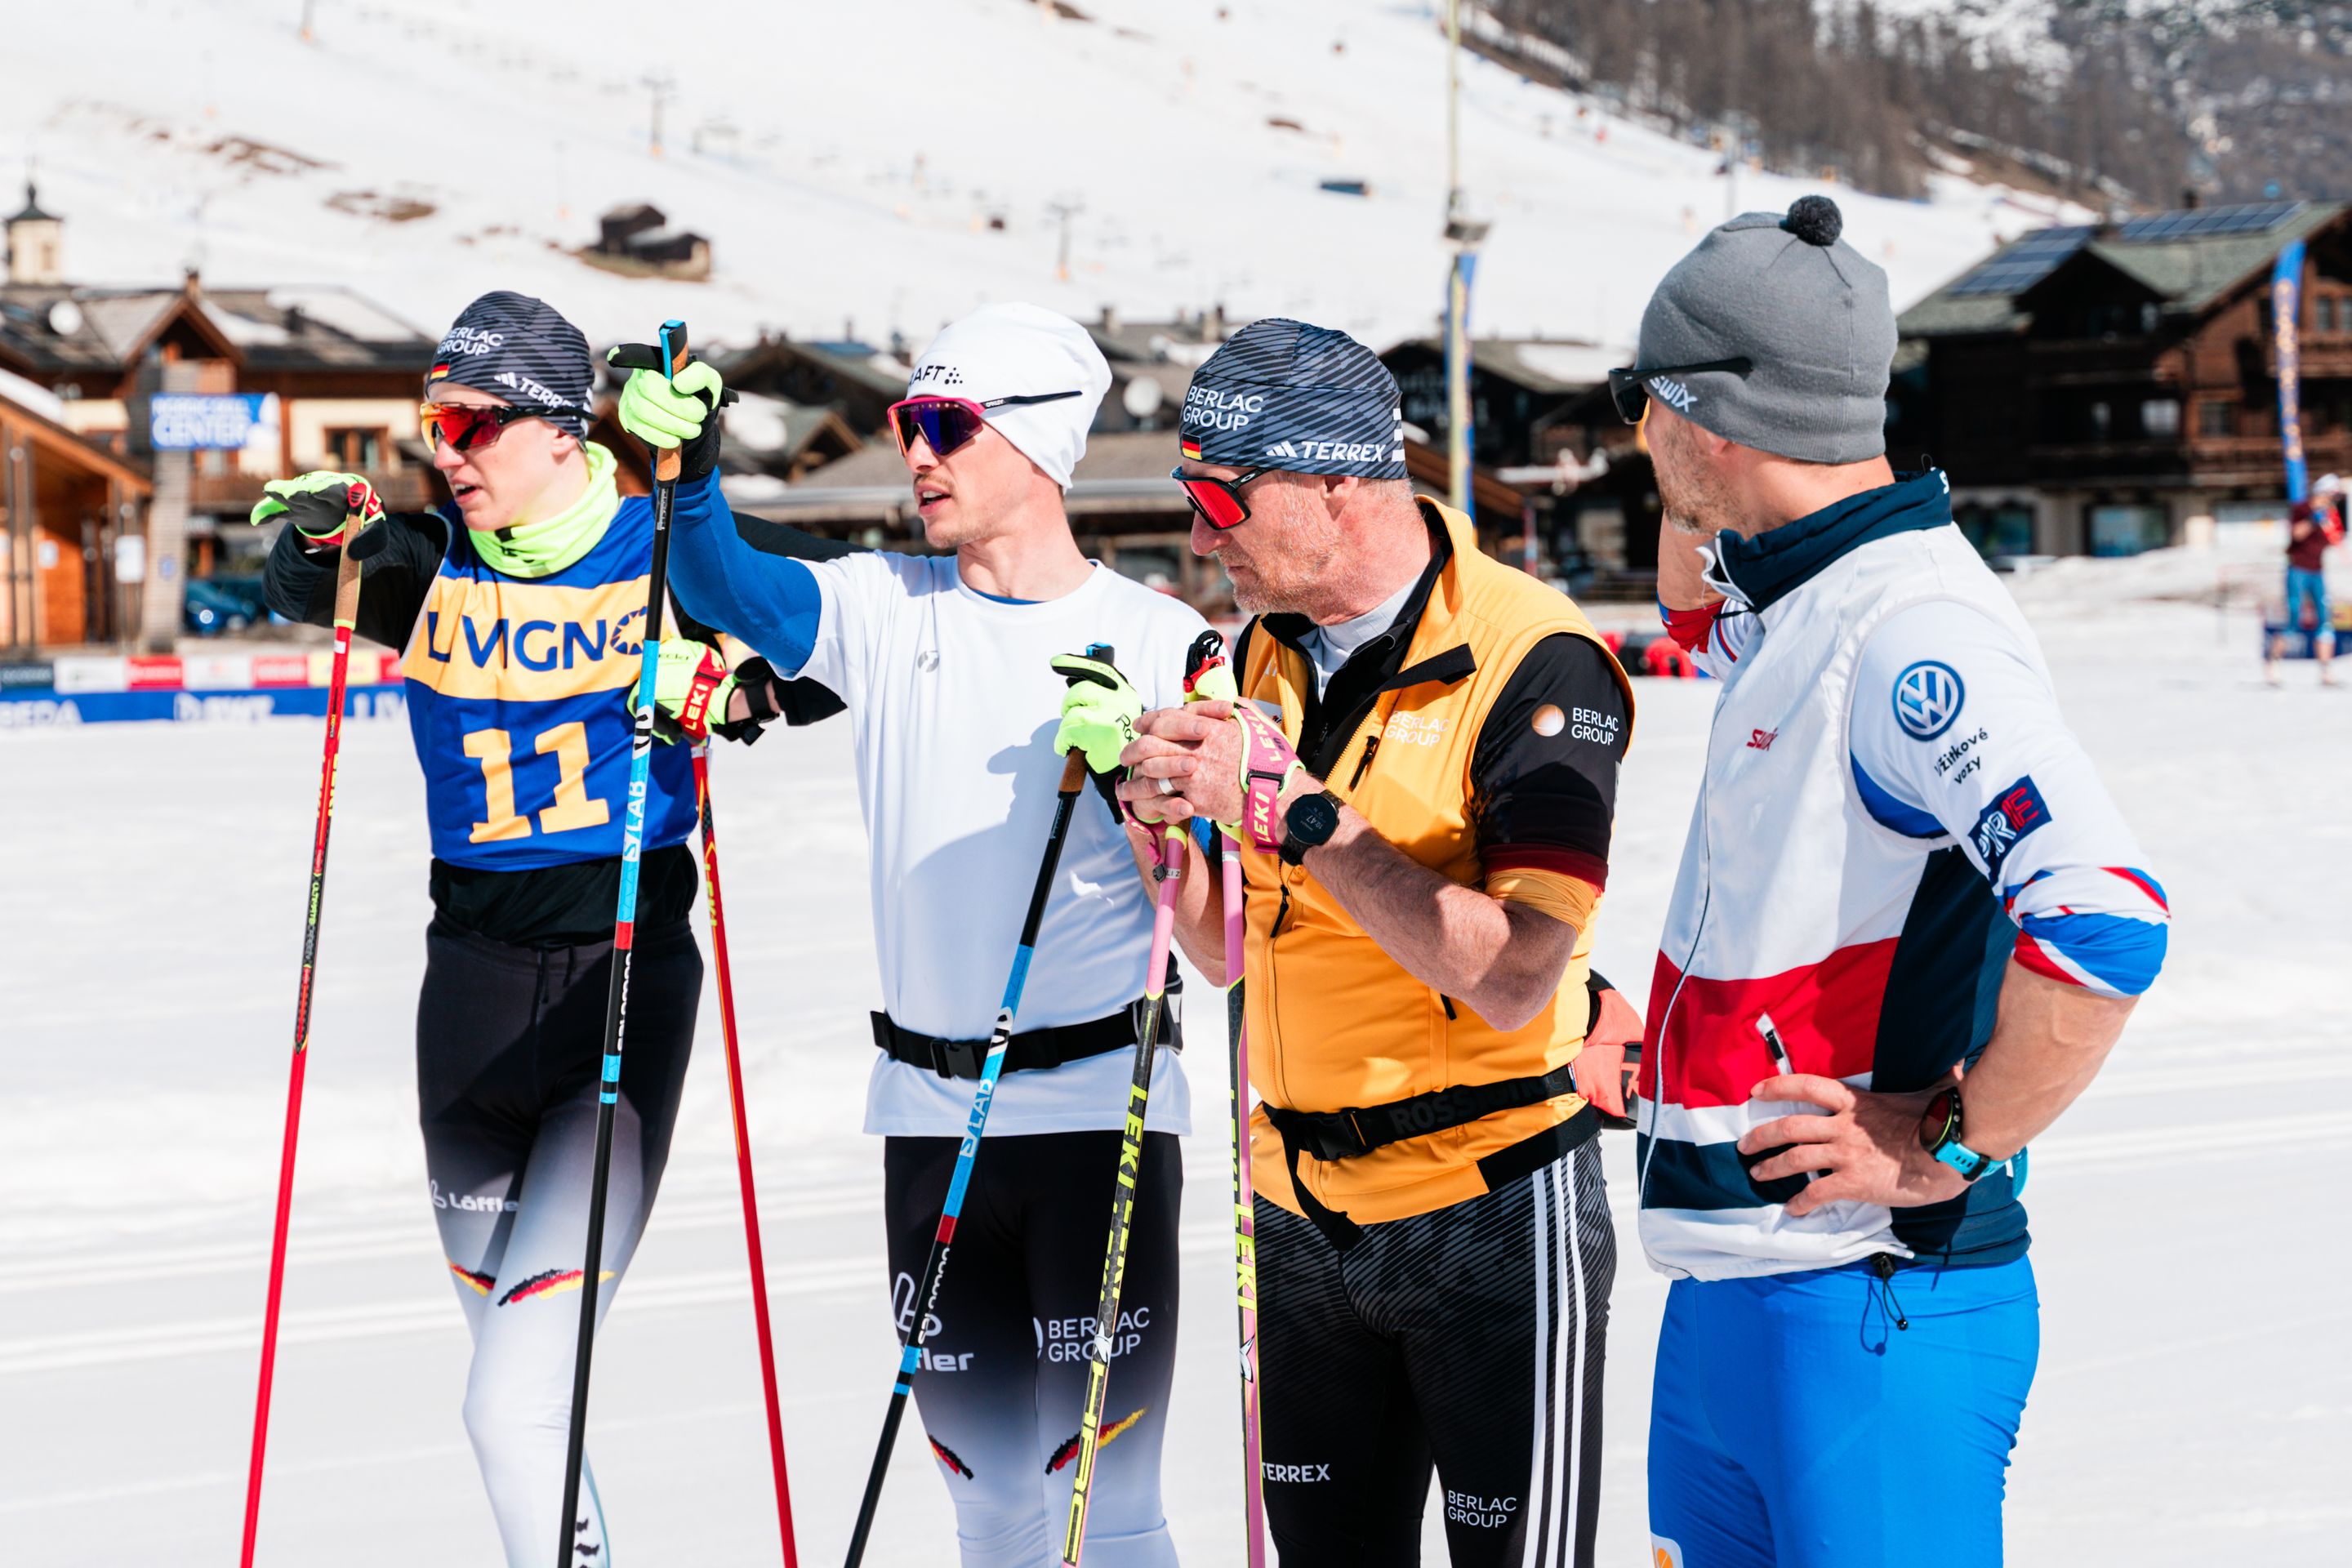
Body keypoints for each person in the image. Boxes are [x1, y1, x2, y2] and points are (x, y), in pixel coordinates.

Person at [614, 302, 1209, 1568]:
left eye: (946, 426)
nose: (916, 455)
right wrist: (693, 468)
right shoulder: (881, 605)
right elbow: (719, 582)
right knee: (987, 1503)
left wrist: (1135, 790)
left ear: (1042, 450)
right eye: (906, 425)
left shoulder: (1169, 642)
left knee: (1104, 1512)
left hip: (1097, 1123)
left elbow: (1223, 932)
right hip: (930, 1129)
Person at [1631, 197, 2172, 1568]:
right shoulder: (1802, 596)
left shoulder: (1907, 630)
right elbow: (1698, 600)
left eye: (1641, 399)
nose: (1629, 432)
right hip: (1731, 1299)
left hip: (1866, 1304)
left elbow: (2104, 915)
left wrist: (1947, 1138)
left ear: (1711, 415)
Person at [1114, 317, 1638, 1567]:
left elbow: (1516, 975)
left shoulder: (1538, 658)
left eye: (1220, 497)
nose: (1199, 535)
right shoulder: (1257, 654)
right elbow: (1242, 952)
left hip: (1491, 1207)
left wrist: (1299, 815)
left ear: (1335, 484)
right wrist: (1163, 845)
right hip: (1297, 1212)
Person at [256, 292, 739, 1566]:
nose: (449, 451)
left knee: (505, 1403)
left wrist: (717, 673)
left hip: (615, 999)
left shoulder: (657, 549)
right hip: (464, 1006)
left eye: (474, 422)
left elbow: (783, 650)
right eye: (433, 426)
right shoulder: (426, 563)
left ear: (567, 430)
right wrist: (315, 537)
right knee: (525, 1406)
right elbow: (303, 585)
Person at [2266, 471, 2342, 685]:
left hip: (2317, 571)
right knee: (2293, 617)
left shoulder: (2329, 515)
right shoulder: (2301, 509)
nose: (2334, 501)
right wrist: (2313, 518)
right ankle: (2273, 664)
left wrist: (2329, 522)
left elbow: (2335, 540)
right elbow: (2297, 535)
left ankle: (2326, 672)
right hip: (2298, 569)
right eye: (2332, 496)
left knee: (2324, 619)